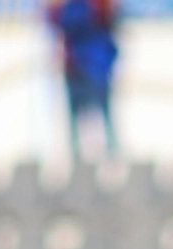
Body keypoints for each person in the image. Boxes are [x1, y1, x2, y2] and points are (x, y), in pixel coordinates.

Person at [46, 0, 118, 160]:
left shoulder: (90, 7)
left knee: (102, 118)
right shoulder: (82, 7)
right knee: (83, 121)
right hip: (81, 67)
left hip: (92, 67)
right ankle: (83, 159)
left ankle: (109, 156)